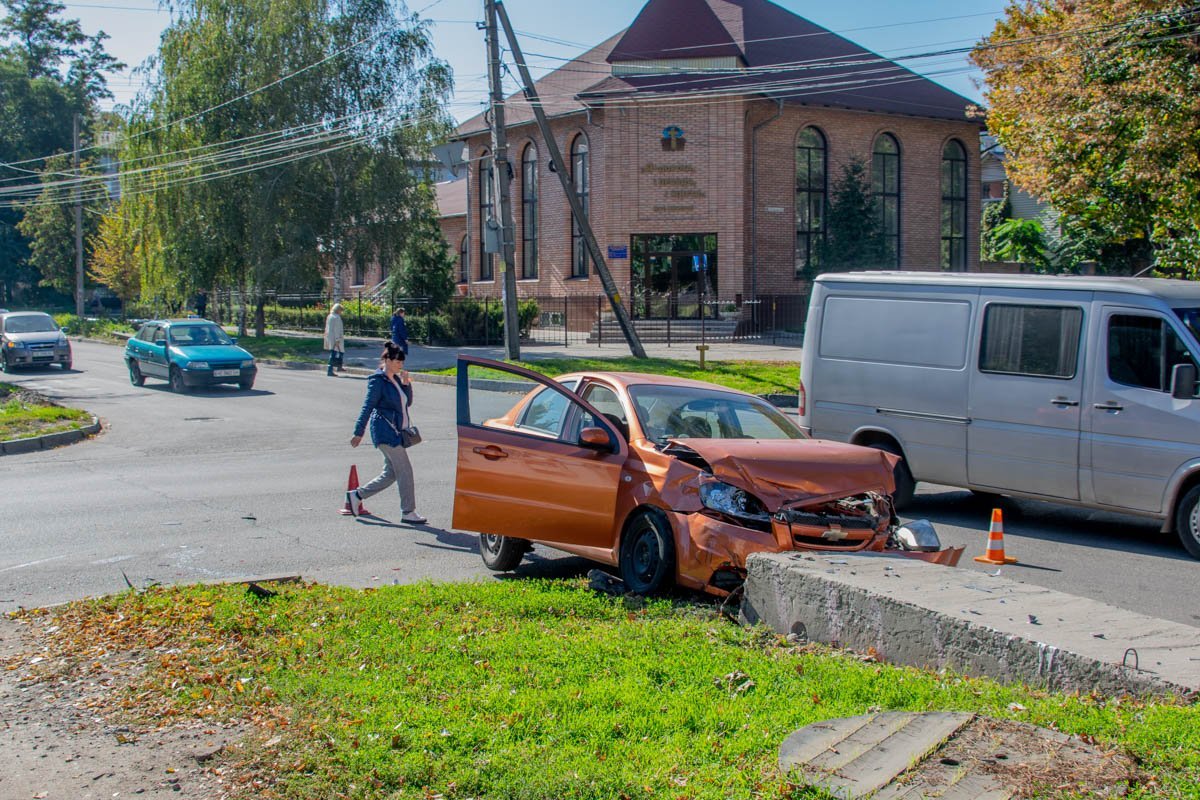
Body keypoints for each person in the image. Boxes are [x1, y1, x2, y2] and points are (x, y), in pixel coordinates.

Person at [347, 341, 426, 524]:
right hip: (385, 432)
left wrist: (407, 385)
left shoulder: (397, 380)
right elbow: (367, 407)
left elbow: (406, 403)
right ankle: (408, 511)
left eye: (402, 362)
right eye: (398, 362)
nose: (401, 365)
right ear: (388, 360)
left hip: (396, 432)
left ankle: (357, 495)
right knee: (405, 471)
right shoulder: (378, 381)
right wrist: (359, 432)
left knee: (391, 473)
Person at [323, 303, 345, 377]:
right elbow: (337, 329)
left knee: (337, 352)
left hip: (330, 337)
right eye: (341, 310)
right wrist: (337, 339)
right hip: (336, 337)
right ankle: (330, 370)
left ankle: (339, 366)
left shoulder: (329, 316)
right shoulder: (337, 317)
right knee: (334, 353)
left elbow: (327, 327)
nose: (341, 312)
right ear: (338, 310)